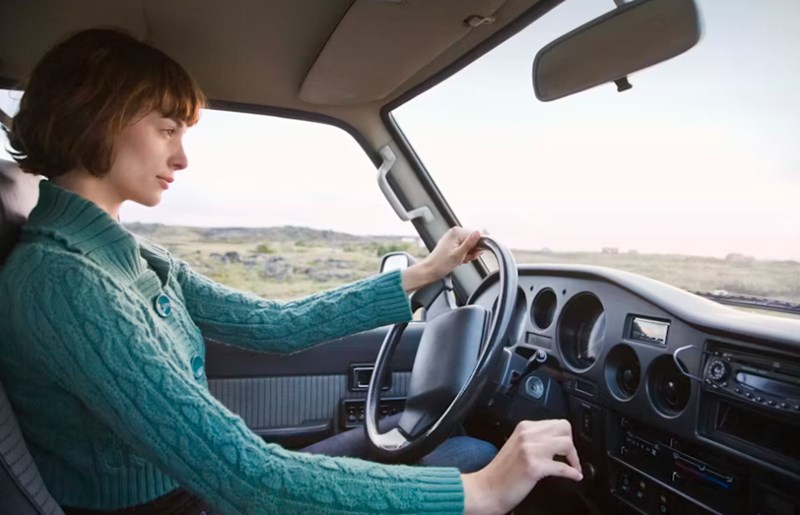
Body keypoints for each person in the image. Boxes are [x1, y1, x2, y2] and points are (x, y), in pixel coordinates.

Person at [0, 28, 583, 514]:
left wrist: (422, 273)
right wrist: (480, 493)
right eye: (167, 129)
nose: (181, 157)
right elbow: (244, 476)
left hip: (200, 488)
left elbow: (273, 325)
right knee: (473, 461)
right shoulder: (64, 282)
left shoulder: (129, 256)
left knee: (445, 452)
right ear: (100, 118)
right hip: (179, 504)